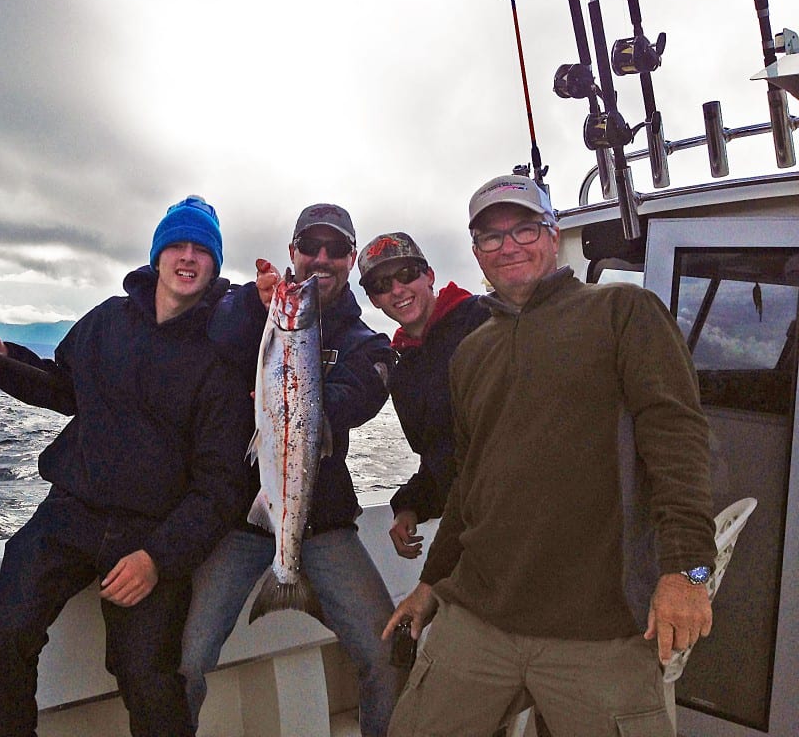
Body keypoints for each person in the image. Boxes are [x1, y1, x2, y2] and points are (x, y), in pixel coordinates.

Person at [382, 175, 717, 737]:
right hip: (480, 617)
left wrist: (688, 570)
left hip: (599, 630)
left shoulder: (624, 311)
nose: (508, 246)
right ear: (475, 254)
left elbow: (678, 440)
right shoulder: (470, 352)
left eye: (524, 229)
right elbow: (469, 484)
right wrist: (430, 583)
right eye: (491, 238)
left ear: (553, 235)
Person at [0, 196, 254, 737]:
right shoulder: (107, 320)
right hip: (71, 511)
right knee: (2, 633)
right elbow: (63, 385)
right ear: (158, 255)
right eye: (177, 246)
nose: (187, 257)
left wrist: (158, 559)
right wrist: (2, 357)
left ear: (213, 265)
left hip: (151, 532)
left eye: (201, 250)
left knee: (149, 677)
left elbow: (222, 487)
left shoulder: (220, 353)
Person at [181, 203, 404, 737]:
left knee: (387, 654)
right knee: (186, 662)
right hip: (242, 517)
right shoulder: (253, 311)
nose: (321, 259)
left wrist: (300, 385)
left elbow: (358, 397)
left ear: (351, 259)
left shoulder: (365, 343)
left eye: (335, 249)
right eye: (311, 247)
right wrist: (250, 303)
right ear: (293, 253)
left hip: (321, 521)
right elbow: (218, 334)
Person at [356, 231, 490, 560]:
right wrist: (410, 508)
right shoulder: (402, 372)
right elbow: (439, 462)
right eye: (381, 284)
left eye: (406, 274)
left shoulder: (486, 318)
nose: (397, 289)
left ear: (429, 276)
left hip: (522, 514)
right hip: (471, 531)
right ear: (374, 300)